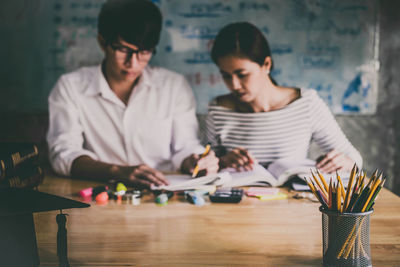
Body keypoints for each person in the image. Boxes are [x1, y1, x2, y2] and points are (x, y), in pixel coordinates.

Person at [47, 0, 219, 189]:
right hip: (100, 195)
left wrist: (195, 161)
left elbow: (185, 146)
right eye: (124, 50)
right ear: (102, 42)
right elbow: (63, 153)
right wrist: (117, 172)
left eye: (144, 52)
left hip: (162, 194)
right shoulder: (70, 87)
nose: (133, 63)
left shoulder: (173, 86)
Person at [206, 22, 362, 173]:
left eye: (242, 75)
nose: (234, 85)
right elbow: (208, 166)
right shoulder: (218, 110)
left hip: (291, 198)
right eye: (226, 76)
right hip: (238, 198)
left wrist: (343, 162)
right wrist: (222, 162)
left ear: (266, 64)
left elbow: (354, 159)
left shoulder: (306, 104)